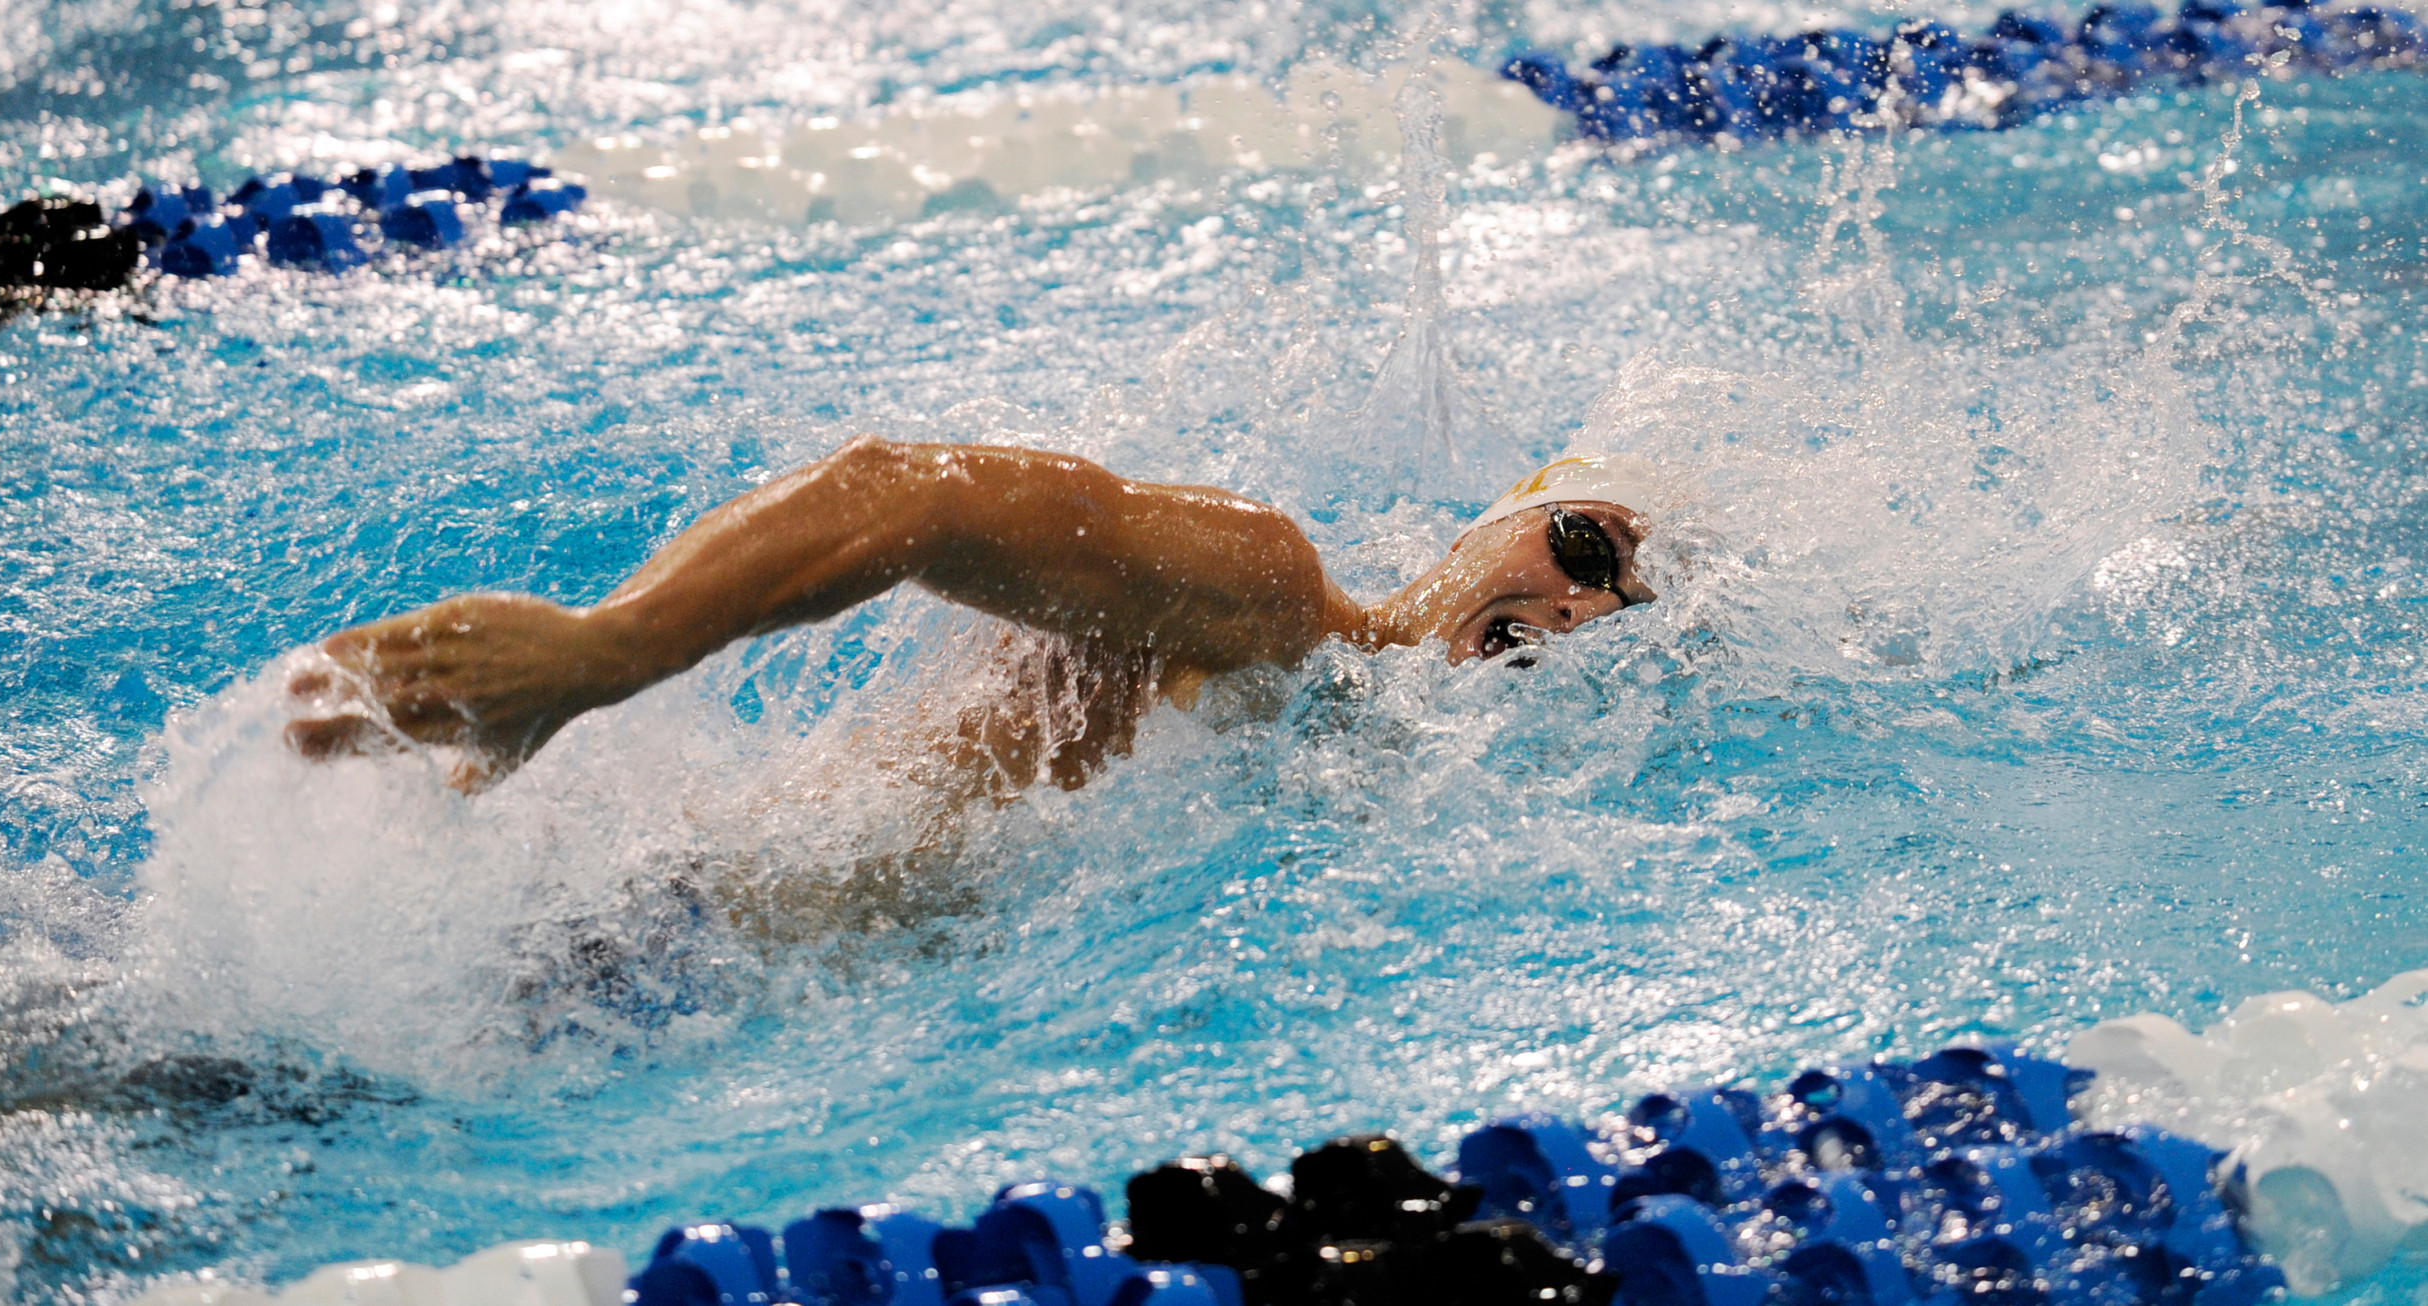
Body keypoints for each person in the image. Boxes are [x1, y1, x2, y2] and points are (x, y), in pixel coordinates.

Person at [285, 436, 1666, 793]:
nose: (1580, 602)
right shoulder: (1271, 592)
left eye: (1624, 606)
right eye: (1582, 540)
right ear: (1503, 512)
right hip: (640, 953)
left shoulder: (1353, 758)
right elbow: (912, 497)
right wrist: (610, 650)